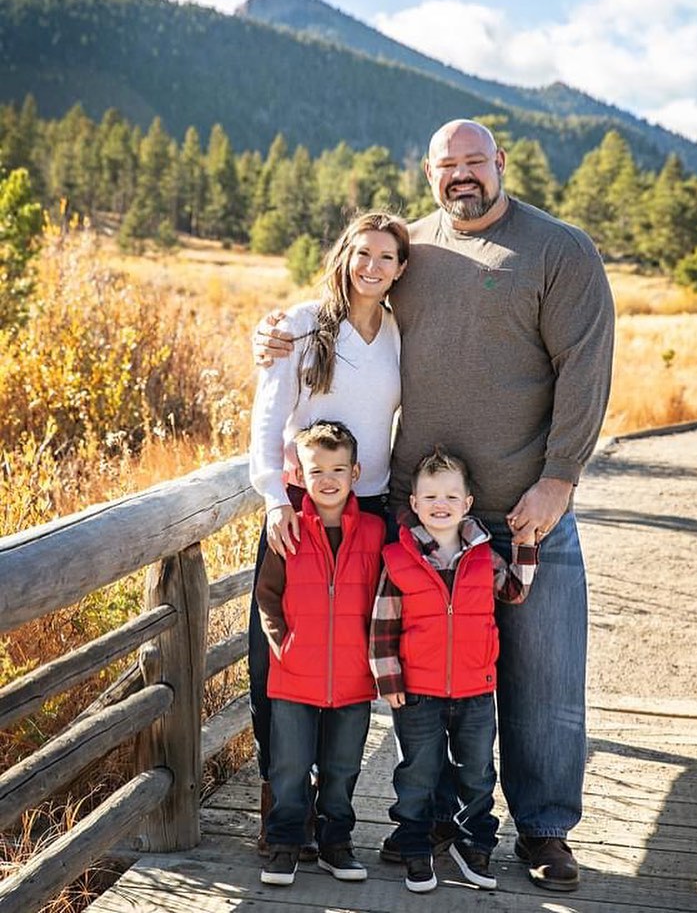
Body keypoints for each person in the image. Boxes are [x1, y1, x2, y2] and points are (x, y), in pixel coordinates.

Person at [255, 118, 615, 892]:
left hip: (524, 509)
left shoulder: (559, 250)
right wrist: (274, 334)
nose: (462, 175)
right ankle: (440, 820)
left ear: (501, 163)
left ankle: (545, 829)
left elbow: (585, 368)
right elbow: (344, 296)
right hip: (418, 515)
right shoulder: (411, 251)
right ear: (427, 174)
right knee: (432, 677)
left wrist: (560, 476)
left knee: (542, 678)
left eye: (474, 161)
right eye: (446, 165)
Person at [248, 211, 408, 860]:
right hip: (298, 503)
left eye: (386, 256)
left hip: (369, 508)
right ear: (343, 255)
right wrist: (269, 496)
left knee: (352, 654)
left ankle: (331, 810)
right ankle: (277, 799)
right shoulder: (302, 324)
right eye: (361, 252)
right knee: (276, 657)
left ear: (400, 268)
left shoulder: (401, 332)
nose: (371, 266)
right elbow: (267, 415)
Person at [370, 446, 537, 893]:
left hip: (476, 689)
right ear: (414, 505)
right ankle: (414, 844)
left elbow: (515, 591)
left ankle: (474, 844)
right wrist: (388, 679)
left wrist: (524, 546)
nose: (439, 505)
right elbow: (383, 624)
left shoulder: (484, 557)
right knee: (417, 771)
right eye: (429, 497)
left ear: (466, 504)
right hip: (417, 692)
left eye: (449, 497)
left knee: (478, 771)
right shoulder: (398, 559)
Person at [256, 420, 385, 886]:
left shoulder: (374, 532)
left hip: (353, 675)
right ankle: (286, 844)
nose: (327, 480)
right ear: (300, 475)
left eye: (337, 469)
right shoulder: (288, 529)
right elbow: (267, 595)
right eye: (316, 471)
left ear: (356, 472)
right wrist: (282, 644)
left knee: (343, 765)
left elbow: (388, 596)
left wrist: (378, 653)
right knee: (288, 765)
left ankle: (336, 844)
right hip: (294, 672)